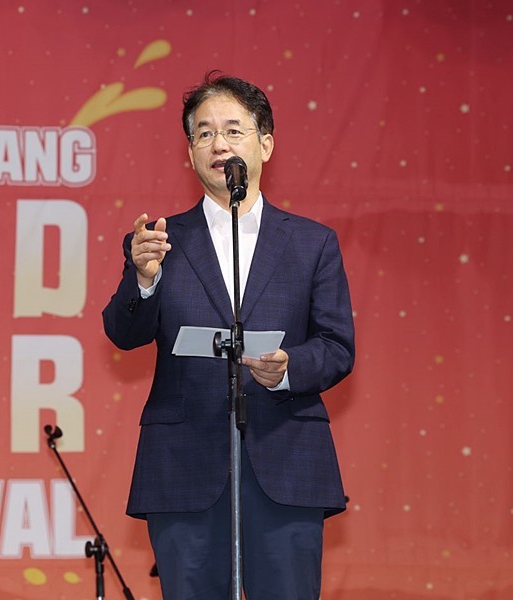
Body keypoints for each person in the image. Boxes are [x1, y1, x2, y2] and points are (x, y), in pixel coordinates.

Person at [102, 71, 355, 599]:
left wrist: (289, 369)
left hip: (286, 458)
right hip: (183, 464)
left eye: (234, 130)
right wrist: (144, 280)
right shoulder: (159, 241)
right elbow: (124, 334)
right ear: (189, 152)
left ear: (266, 144)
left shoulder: (312, 243)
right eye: (204, 133)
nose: (218, 144)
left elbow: (337, 346)